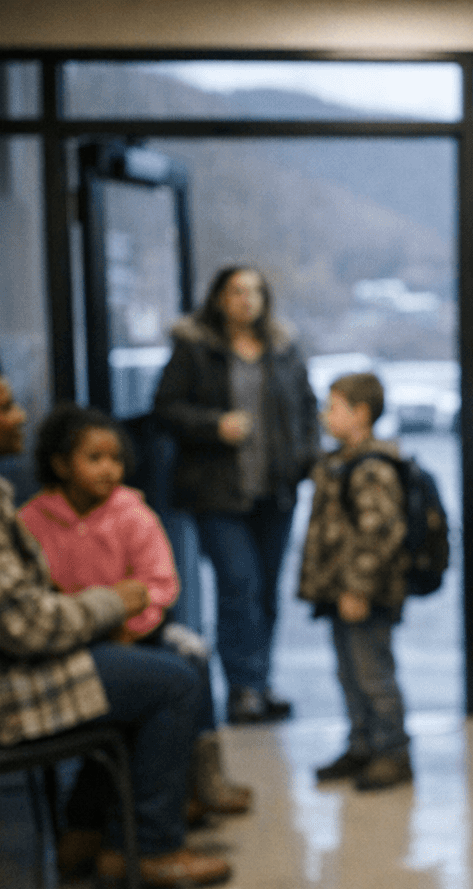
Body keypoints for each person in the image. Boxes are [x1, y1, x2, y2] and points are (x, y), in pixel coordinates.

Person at [0, 346, 231, 889]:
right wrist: (114, 601)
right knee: (172, 683)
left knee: (139, 671)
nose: (20, 416)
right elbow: (27, 628)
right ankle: (149, 848)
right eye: (5, 407)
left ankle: (89, 832)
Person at [18, 403, 253, 839]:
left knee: (193, 654)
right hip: (68, 639)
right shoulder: (32, 521)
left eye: (116, 459)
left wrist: (131, 628)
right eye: (94, 458)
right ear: (60, 464)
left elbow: (160, 584)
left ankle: (200, 779)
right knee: (149, 692)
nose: (108, 469)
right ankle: (114, 817)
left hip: (135, 631)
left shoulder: (133, 514)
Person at [153, 265, 321, 724]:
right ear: (219, 298)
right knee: (238, 585)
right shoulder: (195, 348)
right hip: (217, 492)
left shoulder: (283, 348)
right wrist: (214, 425)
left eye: (254, 291)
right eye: (236, 291)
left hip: (275, 491)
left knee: (265, 591)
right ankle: (242, 688)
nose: (246, 299)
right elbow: (165, 408)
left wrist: (305, 460)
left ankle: (261, 683)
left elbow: (307, 408)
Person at [297, 373, 414, 792]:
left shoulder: (372, 467)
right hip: (339, 592)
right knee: (348, 673)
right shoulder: (337, 461)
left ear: (361, 413)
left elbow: (378, 534)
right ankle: (361, 745)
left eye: (334, 407)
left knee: (373, 673)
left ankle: (392, 751)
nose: (326, 416)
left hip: (365, 594)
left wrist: (358, 587)